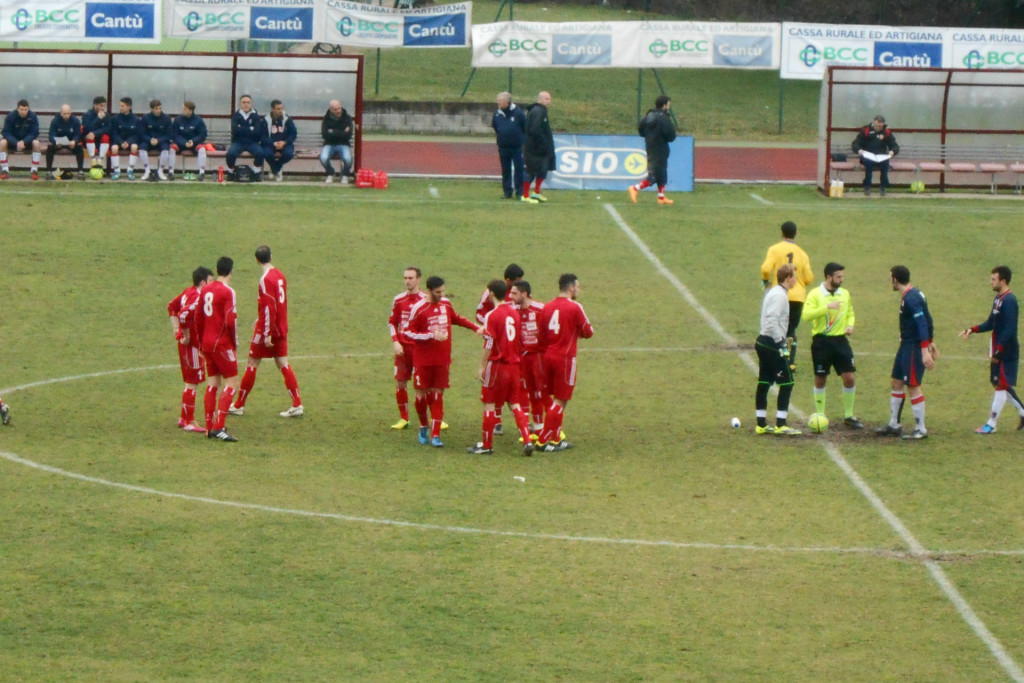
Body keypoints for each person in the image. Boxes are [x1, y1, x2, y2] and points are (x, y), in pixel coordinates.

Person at [403, 276, 480, 447]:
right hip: (423, 360)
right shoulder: (419, 308)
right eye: (438, 292)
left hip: (442, 360)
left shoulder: (445, 304)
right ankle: (423, 425)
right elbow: (407, 332)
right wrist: (430, 335)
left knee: (438, 395)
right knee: (421, 396)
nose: (441, 295)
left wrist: (476, 327)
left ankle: (436, 435)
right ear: (429, 290)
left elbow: (456, 318)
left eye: (442, 291)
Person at [229, 245, 303, 418]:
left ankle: (239, 404)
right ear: (271, 256)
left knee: (252, 363)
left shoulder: (265, 280)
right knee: (283, 363)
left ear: (256, 260)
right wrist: (260, 317)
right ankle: (297, 403)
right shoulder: (280, 275)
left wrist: (267, 331)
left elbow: (270, 307)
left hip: (268, 329)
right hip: (281, 326)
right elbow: (278, 303)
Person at [467, 280, 535, 456]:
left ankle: (487, 445)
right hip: (514, 365)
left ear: (490, 294)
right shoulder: (515, 313)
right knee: (515, 403)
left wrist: (482, 366)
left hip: (497, 365)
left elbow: (489, 342)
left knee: (488, 403)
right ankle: (527, 440)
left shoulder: (492, 315)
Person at [959, 266, 1024, 433]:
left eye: (993, 279)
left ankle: (991, 424)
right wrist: (972, 329)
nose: (991, 281)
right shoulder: (998, 299)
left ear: (1003, 281)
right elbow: (990, 323)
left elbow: (1010, 329)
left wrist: (999, 351)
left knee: (1001, 385)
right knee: (998, 382)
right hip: (998, 348)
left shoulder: (1009, 301)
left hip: (1006, 351)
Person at [876, 265, 936, 440]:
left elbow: (923, 323)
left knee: (913, 385)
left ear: (895, 279)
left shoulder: (911, 299)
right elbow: (928, 319)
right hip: (906, 345)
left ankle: (921, 429)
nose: (890, 282)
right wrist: (931, 341)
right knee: (896, 381)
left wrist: (925, 350)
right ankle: (894, 424)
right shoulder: (914, 294)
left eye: (890, 278)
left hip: (913, 347)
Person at [801, 262, 863, 429]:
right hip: (821, 342)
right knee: (820, 379)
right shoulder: (815, 294)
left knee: (849, 378)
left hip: (841, 341)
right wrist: (826, 307)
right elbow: (806, 316)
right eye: (838, 277)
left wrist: (850, 324)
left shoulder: (845, 294)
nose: (842, 280)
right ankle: (820, 415)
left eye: (842, 276)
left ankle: (849, 415)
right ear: (829, 277)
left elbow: (850, 312)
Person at [537, 273, 595, 451]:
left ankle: (556, 439)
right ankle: (543, 440)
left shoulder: (546, 307)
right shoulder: (575, 307)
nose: (578, 289)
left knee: (556, 399)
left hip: (548, 356)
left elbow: (541, 335)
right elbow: (588, 331)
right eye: (577, 286)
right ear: (571, 288)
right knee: (561, 400)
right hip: (565, 359)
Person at [194, 256, 241, 442]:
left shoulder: (205, 290)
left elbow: (198, 317)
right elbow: (231, 320)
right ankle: (220, 426)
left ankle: (208, 426)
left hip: (206, 342)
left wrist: (200, 342)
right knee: (232, 382)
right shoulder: (228, 292)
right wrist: (234, 341)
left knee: (213, 382)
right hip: (221, 343)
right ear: (231, 271)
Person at [475, 263, 524, 435]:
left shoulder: (515, 295)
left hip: (505, 349)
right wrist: (490, 326)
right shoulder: (494, 299)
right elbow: (479, 314)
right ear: (508, 281)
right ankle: (502, 424)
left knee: (494, 390)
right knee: (509, 395)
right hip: (503, 344)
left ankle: (488, 440)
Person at [760, 221, 814, 372]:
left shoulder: (774, 249)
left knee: (776, 328)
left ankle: (776, 358)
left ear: (782, 233)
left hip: (780, 295)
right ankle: (790, 362)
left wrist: (766, 280)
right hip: (797, 297)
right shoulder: (802, 254)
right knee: (790, 331)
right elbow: (809, 278)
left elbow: (765, 268)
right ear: (795, 234)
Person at [755, 264, 801, 435]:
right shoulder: (780, 296)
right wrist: (781, 342)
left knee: (765, 380)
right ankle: (781, 424)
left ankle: (761, 423)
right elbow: (772, 319)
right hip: (771, 343)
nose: (796, 280)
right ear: (788, 278)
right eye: (795, 277)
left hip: (764, 341)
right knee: (788, 381)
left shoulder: (774, 292)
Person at [168, 266, 215, 434]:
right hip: (192, 346)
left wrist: (176, 330)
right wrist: (186, 334)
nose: (212, 284)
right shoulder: (197, 296)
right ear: (203, 282)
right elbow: (182, 315)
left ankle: (184, 417)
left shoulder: (188, 292)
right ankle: (188, 421)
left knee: (190, 381)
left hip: (187, 344)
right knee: (193, 382)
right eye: (210, 281)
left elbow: (172, 306)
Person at [388, 266, 427, 430]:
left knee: (424, 385)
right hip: (403, 349)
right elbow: (392, 322)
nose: (407, 281)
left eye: (410, 278)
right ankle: (404, 418)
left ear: (418, 279)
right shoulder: (399, 300)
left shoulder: (426, 300)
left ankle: (432, 418)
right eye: (405, 278)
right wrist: (396, 341)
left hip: (419, 349)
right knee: (400, 382)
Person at [509, 279, 548, 435]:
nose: (511, 296)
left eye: (514, 293)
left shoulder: (541, 310)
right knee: (523, 392)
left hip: (538, 358)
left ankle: (546, 429)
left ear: (524, 294)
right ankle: (531, 429)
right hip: (520, 358)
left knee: (540, 393)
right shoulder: (513, 311)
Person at [628, 95, 676, 205]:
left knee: (662, 172)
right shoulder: (663, 118)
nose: (669, 106)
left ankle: (661, 197)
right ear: (664, 105)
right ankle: (635, 188)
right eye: (668, 104)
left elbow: (641, 129)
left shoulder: (649, 115)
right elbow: (671, 135)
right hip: (660, 148)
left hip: (650, 147)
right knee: (655, 174)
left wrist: (649, 137)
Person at [492, 91, 531, 203]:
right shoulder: (497, 113)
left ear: (507, 102)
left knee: (519, 170)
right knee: (505, 170)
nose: (498, 103)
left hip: (517, 147)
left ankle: (520, 192)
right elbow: (495, 126)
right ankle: (507, 192)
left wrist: (520, 140)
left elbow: (525, 127)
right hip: (503, 147)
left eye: (500, 101)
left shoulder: (518, 113)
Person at [852, 115, 899, 197]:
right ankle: (867, 186)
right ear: (874, 122)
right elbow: (855, 144)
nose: (879, 128)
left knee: (885, 164)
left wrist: (892, 151)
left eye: (881, 126)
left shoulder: (886, 132)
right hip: (867, 156)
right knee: (868, 163)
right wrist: (860, 150)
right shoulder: (866, 131)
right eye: (877, 126)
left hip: (881, 156)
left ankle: (883, 186)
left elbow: (894, 146)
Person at [523, 91, 555, 202]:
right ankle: (525, 195)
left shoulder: (542, 111)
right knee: (531, 171)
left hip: (541, 148)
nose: (548, 101)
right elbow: (535, 129)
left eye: (549, 99)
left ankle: (536, 192)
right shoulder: (537, 111)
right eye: (546, 98)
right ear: (540, 99)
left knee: (542, 170)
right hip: (535, 148)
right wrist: (544, 142)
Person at [1, 99, 41, 180]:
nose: (23, 112)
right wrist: (16, 142)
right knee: (2, 142)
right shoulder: (10, 116)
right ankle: (4, 170)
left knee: (36, 143)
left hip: (27, 143)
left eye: (25, 109)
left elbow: (34, 133)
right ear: (18, 109)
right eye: (21, 109)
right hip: (13, 143)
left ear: (28, 109)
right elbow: (6, 132)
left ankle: (34, 170)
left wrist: (24, 141)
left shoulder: (33, 116)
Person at [226, 94, 264, 182]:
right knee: (230, 154)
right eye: (244, 102)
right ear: (240, 104)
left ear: (251, 104)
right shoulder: (236, 115)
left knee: (260, 153)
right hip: (238, 142)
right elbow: (235, 131)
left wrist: (242, 128)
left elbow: (257, 131)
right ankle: (231, 172)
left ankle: (256, 173)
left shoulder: (255, 116)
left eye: (248, 102)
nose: (246, 104)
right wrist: (250, 129)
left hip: (252, 142)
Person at [171, 101, 209, 181]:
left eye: (185, 109)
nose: (183, 110)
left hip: (194, 144)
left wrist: (193, 141)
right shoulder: (178, 120)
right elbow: (174, 135)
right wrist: (184, 142)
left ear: (190, 111)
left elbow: (203, 134)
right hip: (181, 144)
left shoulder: (198, 120)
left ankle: (202, 173)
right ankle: (171, 172)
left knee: (202, 149)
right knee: (171, 148)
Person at [45, 105, 84, 180]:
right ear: (61, 113)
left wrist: (74, 141)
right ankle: (48, 171)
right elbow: (51, 135)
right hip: (59, 143)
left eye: (68, 113)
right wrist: (55, 142)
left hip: (71, 143)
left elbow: (78, 134)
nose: (66, 116)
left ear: (71, 113)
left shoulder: (75, 121)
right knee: (50, 148)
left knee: (79, 148)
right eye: (64, 114)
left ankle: (80, 171)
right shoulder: (55, 121)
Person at [320, 99, 353, 184]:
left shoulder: (347, 118)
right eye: (335, 109)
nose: (338, 111)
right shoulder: (326, 118)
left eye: (339, 108)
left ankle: (345, 175)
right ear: (331, 110)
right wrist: (342, 132)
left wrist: (333, 132)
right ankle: (330, 173)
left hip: (344, 144)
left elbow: (348, 135)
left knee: (348, 159)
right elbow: (325, 135)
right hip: (329, 144)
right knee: (323, 158)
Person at [139, 99, 173, 181]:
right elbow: (141, 133)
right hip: (148, 141)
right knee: (142, 149)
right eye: (156, 109)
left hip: (161, 141)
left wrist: (159, 140)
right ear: (151, 109)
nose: (158, 110)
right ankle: (147, 171)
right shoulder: (145, 118)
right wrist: (149, 140)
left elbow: (169, 135)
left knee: (166, 149)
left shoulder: (166, 118)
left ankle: (160, 171)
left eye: (160, 108)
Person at [109, 97, 141, 181]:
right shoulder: (115, 119)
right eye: (120, 106)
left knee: (134, 147)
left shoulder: (136, 119)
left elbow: (137, 134)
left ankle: (130, 170)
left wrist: (129, 142)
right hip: (118, 142)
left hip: (130, 142)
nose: (120, 108)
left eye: (122, 106)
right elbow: (114, 133)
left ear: (129, 107)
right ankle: (116, 171)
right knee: (114, 148)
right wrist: (121, 142)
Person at [81, 95, 110, 171]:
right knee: (89, 136)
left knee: (105, 137)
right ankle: (93, 160)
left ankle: (100, 160)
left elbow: (108, 128)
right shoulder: (87, 115)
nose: (103, 108)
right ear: (95, 105)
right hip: (88, 140)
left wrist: (95, 133)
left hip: (100, 139)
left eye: (104, 106)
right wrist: (98, 119)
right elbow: (86, 129)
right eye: (101, 106)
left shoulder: (106, 115)